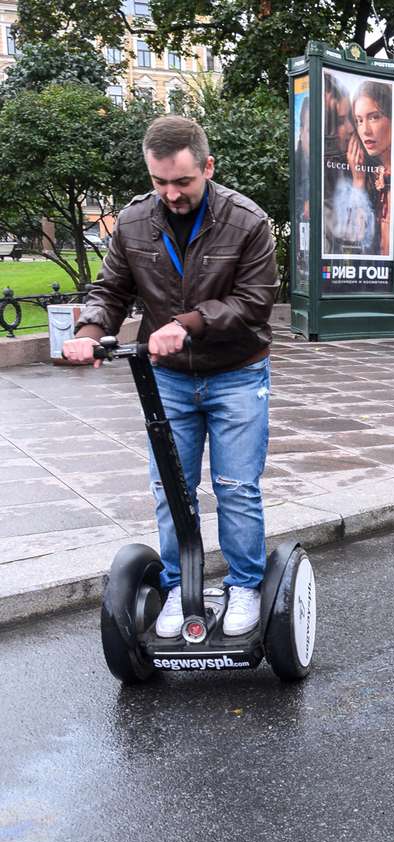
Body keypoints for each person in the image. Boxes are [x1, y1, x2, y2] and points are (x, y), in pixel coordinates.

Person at [62, 115, 279, 640]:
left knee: (236, 487)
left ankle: (246, 586)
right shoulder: (135, 222)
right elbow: (111, 289)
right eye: (159, 182)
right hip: (170, 381)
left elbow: (255, 303)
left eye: (182, 181)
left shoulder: (247, 221)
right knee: (171, 490)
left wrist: (187, 325)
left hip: (236, 373)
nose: (171, 193)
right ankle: (184, 588)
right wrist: (91, 330)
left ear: (207, 166)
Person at [344, 80, 393, 257]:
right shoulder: (373, 177)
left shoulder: (391, 179)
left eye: (374, 117)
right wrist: (358, 181)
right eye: (359, 120)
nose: (365, 130)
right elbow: (354, 239)